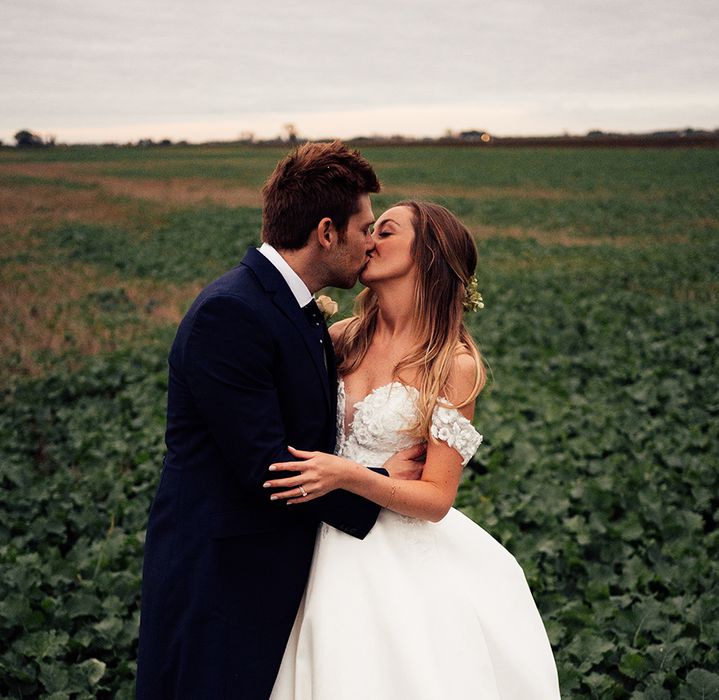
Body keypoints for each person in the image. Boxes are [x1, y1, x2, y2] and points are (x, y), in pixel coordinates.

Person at [136, 142, 423, 699]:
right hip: (220, 575)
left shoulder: (290, 305)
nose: (371, 241)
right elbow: (268, 466)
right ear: (325, 232)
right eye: (365, 227)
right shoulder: (232, 312)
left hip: (274, 565)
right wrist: (378, 485)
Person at [266, 200, 561, 699]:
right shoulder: (341, 338)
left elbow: (436, 499)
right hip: (315, 533)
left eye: (385, 230)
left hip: (392, 552)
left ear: (427, 254)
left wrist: (353, 474)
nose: (368, 240)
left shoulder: (453, 364)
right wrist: (357, 471)